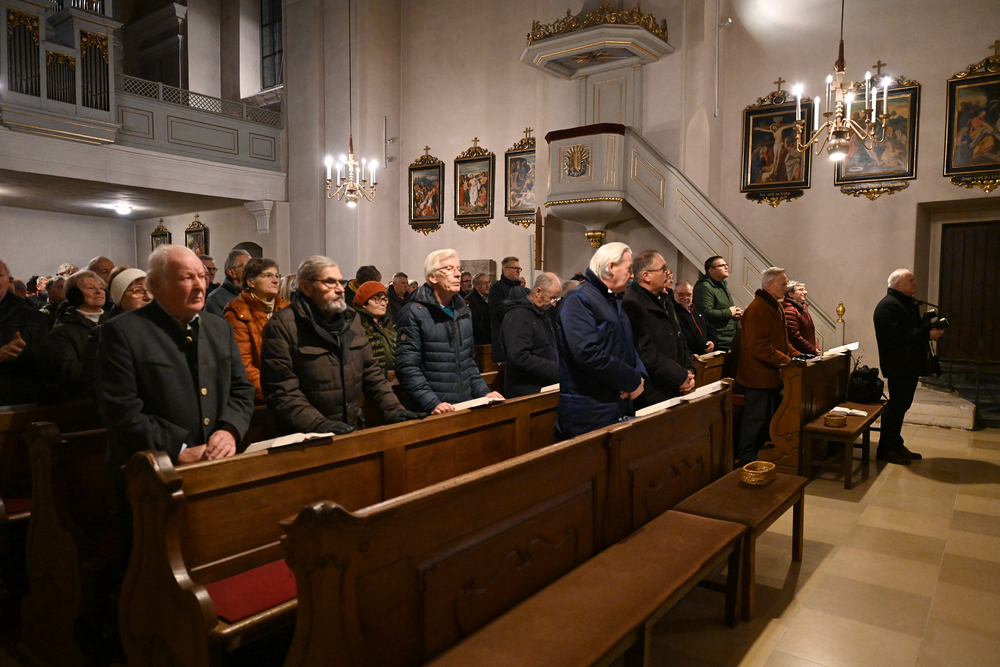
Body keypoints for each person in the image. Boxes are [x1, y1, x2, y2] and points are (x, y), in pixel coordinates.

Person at [98, 245, 255, 483]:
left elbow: (241, 389)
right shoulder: (122, 331)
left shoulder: (219, 328)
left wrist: (229, 431)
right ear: (157, 285)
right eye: (187, 278)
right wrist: (178, 449)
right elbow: (121, 410)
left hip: (216, 462)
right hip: (150, 473)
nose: (200, 286)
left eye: (202, 276)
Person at [260, 256, 418, 435]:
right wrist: (319, 425)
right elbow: (282, 391)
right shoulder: (282, 326)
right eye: (330, 283)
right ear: (306, 287)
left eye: (340, 282)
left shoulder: (351, 320)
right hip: (306, 436)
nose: (340, 289)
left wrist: (393, 409)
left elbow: (370, 373)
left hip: (351, 429)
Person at [395, 249, 503, 414]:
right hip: (431, 411)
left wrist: (484, 393)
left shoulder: (463, 310)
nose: (457, 274)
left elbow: (468, 362)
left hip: (462, 406)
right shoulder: (413, 312)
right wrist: (432, 403)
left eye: (458, 269)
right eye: (449, 269)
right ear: (432, 277)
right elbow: (407, 367)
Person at [555, 242, 645, 439]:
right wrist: (630, 379)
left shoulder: (613, 299)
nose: (632, 276)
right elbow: (588, 353)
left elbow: (626, 344)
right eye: (629, 269)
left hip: (614, 403)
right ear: (611, 267)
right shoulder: (579, 299)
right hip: (589, 409)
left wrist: (639, 374)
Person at [873, 269, 945, 465]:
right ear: (897, 284)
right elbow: (896, 336)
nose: (916, 283)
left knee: (902, 405)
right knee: (896, 406)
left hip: (908, 363)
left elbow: (910, 329)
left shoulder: (903, 303)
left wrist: (928, 328)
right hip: (898, 364)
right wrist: (927, 334)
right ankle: (885, 449)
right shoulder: (888, 305)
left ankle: (895, 444)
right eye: (911, 280)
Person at [735, 267, 793, 466]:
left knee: (767, 418)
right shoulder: (757, 309)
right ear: (769, 286)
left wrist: (796, 355)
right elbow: (760, 348)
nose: (786, 287)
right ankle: (746, 457)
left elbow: (781, 341)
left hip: (770, 376)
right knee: (755, 419)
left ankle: (761, 452)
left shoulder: (774, 306)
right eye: (783, 284)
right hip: (757, 377)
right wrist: (788, 361)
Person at [623, 252, 695, 406]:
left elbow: (680, 338)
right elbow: (645, 352)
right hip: (654, 391)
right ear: (646, 276)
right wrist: (680, 376)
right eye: (663, 269)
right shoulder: (632, 302)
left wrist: (689, 371)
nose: (667, 273)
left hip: (675, 384)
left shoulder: (665, 301)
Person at [223, 258, 290, 403]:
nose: (275, 280)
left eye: (277, 276)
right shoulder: (237, 314)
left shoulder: (287, 309)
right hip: (264, 396)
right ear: (250, 282)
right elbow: (243, 365)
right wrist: (275, 394)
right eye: (268, 275)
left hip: (290, 391)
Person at [0, 258, 56, 406]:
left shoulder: (33, 318)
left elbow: (53, 364)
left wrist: (25, 351)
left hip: (21, 404)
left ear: (8, 280)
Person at [499, 272, 561, 398]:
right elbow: (519, 356)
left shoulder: (540, 312)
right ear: (538, 292)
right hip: (525, 391)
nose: (554, 303)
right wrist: (556, 370)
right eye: (552, 298)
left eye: (556, 299)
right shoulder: (518, 315)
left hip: (543, 386)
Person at [51, 270, 110, 392]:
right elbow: (70, 372)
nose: (99, 291)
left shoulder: (117, 322)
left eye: (101, 288)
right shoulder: (62, 331)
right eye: (90, 288)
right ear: (75, 295)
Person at [694, 255, 742, 350]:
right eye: (721, 265)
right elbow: (705, 312)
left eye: (726, 265)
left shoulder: (721, 285)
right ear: (711, 270)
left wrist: (736, 312)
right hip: (719, 341)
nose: (726, 267)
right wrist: (729, 312)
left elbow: (724, 308)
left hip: (729, 339)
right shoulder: (705, 287)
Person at [353, 280, 397, 377]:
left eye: (384, 299)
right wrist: (384, 374)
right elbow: (355, 363)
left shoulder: (387, 325)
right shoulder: (357, 327)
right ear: (364, 303)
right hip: (370, 382)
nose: (383, 304)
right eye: (377, 299)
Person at [488, 256, 522, 361]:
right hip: (503, 337)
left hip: (518, 336)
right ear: (505, 270)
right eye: (515, 268)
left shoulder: (520, 289)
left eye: (519, 269)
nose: (518, 271)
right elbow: (497, 312)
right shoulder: (497, 288)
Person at [673, 280, 718, 355]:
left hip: (705, 353)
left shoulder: (697, 308)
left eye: (689, 295)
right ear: (674, 292)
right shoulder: (672, 310)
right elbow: (683, 335)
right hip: (688, 355)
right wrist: (703, 346)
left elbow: (709, 327)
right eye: (681, 294)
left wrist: (713, 341)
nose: (685, 298)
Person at [204, 249, 251, 316]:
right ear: (232, 272)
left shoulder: (254, 294)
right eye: (246, 266)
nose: (252, 270)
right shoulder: (216, 298)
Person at [783, 280, 819, 356]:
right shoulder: (790, 310)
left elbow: (809, 333)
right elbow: (794, 336)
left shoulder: (800, 308)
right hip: (800, 355)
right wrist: (812, 350)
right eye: (801, 290)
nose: (805, 292)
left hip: (807, 353)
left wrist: (816, 347)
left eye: (805, 290)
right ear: (791, 294)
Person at [466, 272, 491, 345]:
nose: (488, 286)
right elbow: (476, 323)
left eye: (489, 282)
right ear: (477, 286)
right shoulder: (470, 300)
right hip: (479, 341)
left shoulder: (491, 297)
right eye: (485, 283)